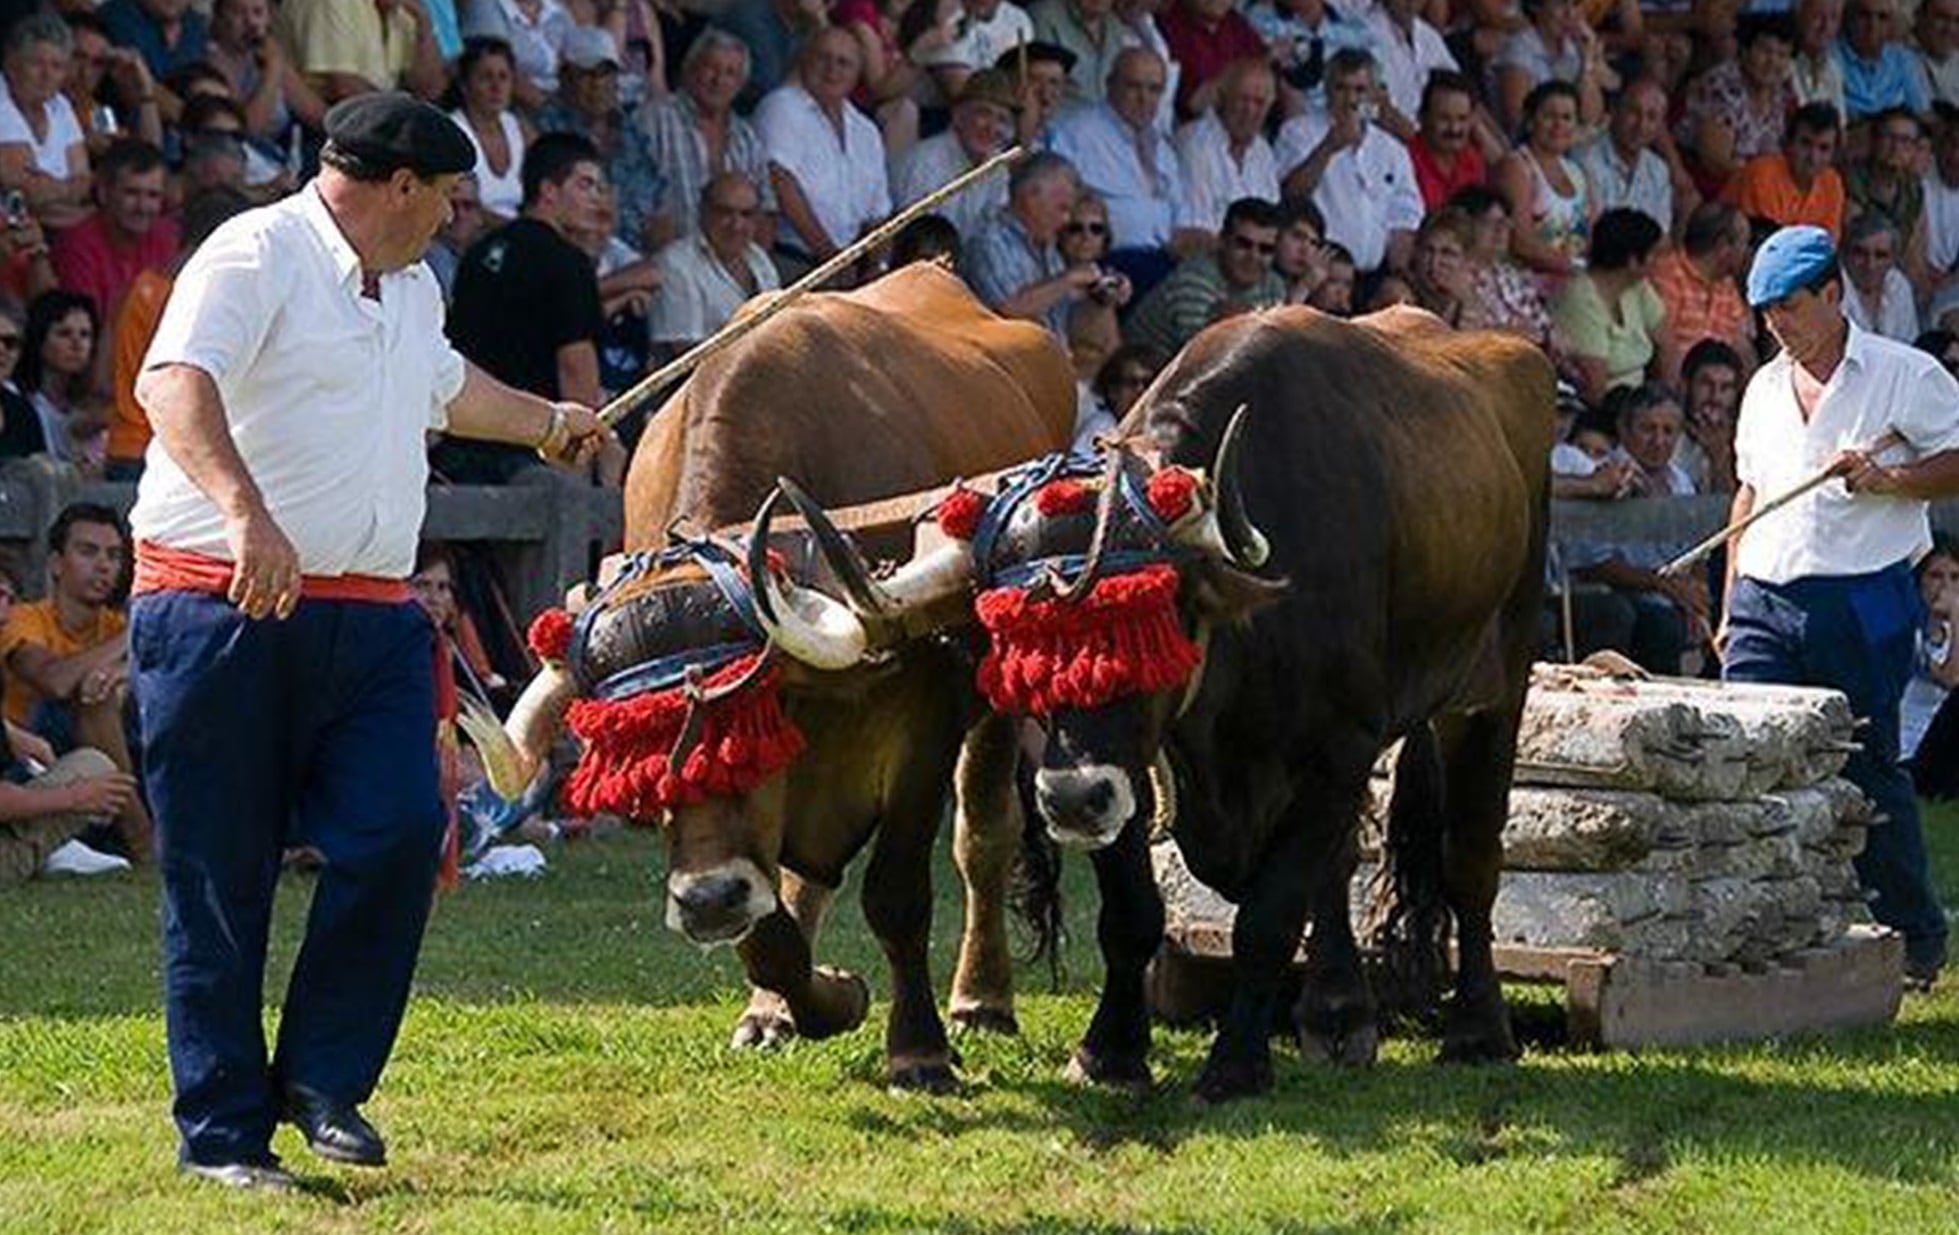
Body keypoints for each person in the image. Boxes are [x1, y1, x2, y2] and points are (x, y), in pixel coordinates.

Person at [128, 92, 611, 1190]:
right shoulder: (254, 252)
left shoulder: (414, 286)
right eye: (442, 195)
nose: (448, 217)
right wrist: (247, 514)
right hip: (222, 603)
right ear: (397, 185)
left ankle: (321, 1075)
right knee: (222, 871)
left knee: (400, 828)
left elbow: (445, 389)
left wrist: (546, 421)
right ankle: (222, 1133)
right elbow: (173, 382)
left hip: (376, 613)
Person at [1722, 224, 1959, 990]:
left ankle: (1915, 937)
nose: (1775, 325)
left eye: (1787, 306)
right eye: (1763, 312)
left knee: (1864, 766)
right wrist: (1730, 597)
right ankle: (1770, 927)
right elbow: (1747, 495)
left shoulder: (1907, 374)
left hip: (1863, 593)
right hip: (1763, 592)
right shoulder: (1761, 387)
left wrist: (1889, 481)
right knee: (1748, 766)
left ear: (1831, 294)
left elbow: (1955, 461)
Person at [442, 131, 607, 484]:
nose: (597, 199)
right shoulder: (568, 263)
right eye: (585, 185)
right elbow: (576, 368)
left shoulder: (478, 252)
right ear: (548, 190)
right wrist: (586, 446)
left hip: (459, 445)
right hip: (535, 451)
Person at [2, 500, 150, 860]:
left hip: (118, 751)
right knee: (92, 693)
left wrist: (124, 670)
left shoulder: (114, 625)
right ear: (55, 563)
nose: (103, 565)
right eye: (88, 551)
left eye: (114, 556)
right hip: (33, 757)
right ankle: (142, 838)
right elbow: (54, 681)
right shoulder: (22, 617)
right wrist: (131, 638)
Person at [108, 186, 251, 480]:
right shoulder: (200, 297)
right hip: (168, 452)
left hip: (125, 444)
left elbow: (101, 377)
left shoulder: (139, 287)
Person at [1049, 48, 1205, 286]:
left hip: (1163, 260)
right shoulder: (1076, 132)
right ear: (1110, 84)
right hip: (1107, 262)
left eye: (1154, 90)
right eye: (1134, 86)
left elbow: (1178, 216)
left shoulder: (1162, 147)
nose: (1144, 98)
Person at [756, 28, 890, 275]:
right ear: (805, 60)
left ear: (857, 74)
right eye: (823, 58)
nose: (832, 70)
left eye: (844, 62)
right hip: (792, 262)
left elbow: (878, 213)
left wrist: (877, 267)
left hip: (848, 268)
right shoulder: (782, 107)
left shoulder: (866, 131)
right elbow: (781, 181)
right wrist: (831, 259)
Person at [1276, 49, 1423, 275]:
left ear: (1374, 94)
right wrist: (1329, 146)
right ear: (1326, 90)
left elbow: (1405, 216)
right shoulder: (1298, 132)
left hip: (1373, 277)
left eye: (1360, 90)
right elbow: (1290, 195)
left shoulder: (1392, 150)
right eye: (1341, 88)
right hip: (1317, 273)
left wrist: (1399, 271)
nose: (1351, 99)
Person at [638, 29, 777, 243]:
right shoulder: (656, 118)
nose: (719, 80)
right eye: (711, 68)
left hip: (730, 265)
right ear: (690, 69)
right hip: (666, 259)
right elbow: (634, 199)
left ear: (741, 84)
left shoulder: (746, 137)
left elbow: (765, 211)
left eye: (730, 73)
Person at [50, 139, 178, 354]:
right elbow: (89, 332)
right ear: (103, 193)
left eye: (152, 195)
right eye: (131, 193)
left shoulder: (167, 236)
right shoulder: (77, 245)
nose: (143, 207)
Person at [961, 150, 1098, 335]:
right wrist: (1067, 279)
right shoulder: (989, 240)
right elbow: (1009, 308)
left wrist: (1099, 292)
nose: (1066, 220)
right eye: (1062, 208)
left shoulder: (1048, 248)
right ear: (1031, 197)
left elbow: (1055, 309)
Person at [1124, 197, 1286, 353]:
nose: (1253, 257)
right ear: (1222, 240)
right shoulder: (1194, 280)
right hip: (1146, 369)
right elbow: (1200, 357)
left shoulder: (1274, 286)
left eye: (1265, 249)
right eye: (1243, 244)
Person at [1551, 207, 1677, 405]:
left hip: (1642, 407)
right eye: (1653, 255)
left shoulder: (1638, 287)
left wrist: (1666, 404)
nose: (1658, 263)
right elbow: (1595, 389)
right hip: (1602, 413)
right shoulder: (1579, 299)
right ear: (1633, 261)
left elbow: (1668, 346)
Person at [649, 171, 780, 355]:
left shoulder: (759, 260)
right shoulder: (676, 263)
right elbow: (684, 355)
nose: (736, 225)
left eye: (746, 214)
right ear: (703, 212)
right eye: (725, 212)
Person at [893, 69, 1017, 243]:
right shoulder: (925, 162)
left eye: (1002, 119)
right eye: (983, 113)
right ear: (958, 115)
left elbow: (993, 236)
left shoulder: (997, 168)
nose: (992, 127)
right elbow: (913, 240)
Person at [1678, 14, 1796, 190]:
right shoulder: (1720, 86)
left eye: (1782, 54)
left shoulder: (1783, 92)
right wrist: (1768, 183)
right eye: (1765, 51)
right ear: (1745, 51)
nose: (1773, 62)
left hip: (1760, 187)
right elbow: (1716, 162)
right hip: (1712, 186)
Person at [1493, 79, 1594, 279]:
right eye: (1549, 116)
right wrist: (1574, 268)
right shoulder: (1517, 166)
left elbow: (1595, 232)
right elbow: (1520, 241)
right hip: (1529, 280)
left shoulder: (1577, 172)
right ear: (1530, 122)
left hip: (1573, 279)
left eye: (1567, 117)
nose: (1559, 125)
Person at [0, 13, 93, 231]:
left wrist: (54, 189)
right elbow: (28, 196)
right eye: (36, 63)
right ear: (11, 64)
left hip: (53, 228)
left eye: (57, 66)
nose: (47, 75)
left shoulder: (59, 105)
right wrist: (73, 197)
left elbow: (85, 181)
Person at [1172, 58, 1281, 235]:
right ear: (1222, 97)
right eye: (1243, 99)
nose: (1250, 110)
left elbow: (1272, 226)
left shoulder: (1264, 152)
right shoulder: (1195, 144)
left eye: (1259, 103)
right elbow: (1197, 229)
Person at [1647, 200, 1757, 364]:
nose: (1748, 252)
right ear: (1723, 246)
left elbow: (1742, 346)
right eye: (1744, 242)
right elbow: (1665, 350)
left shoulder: (1727, 284)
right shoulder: (1667, 275)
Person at [276, 0, 447, 104]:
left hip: (376, 116)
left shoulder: (403, 8)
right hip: (317, 126)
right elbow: (345, 88)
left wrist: (424, 25)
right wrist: (403, 115)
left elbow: (430, 89)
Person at [1577, 76, 1682, 237]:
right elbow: (1595, 233)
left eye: (1652, 117)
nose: (1641, 125)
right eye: (1634, 112)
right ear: (1614, 110)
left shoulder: (1658, 169)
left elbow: (1661, 235)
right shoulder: (1587, 160)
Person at [1725, 101, 1847, 237]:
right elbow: (1769, 243)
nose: (1813, 157)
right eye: (1805, 144)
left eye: (1824, 148)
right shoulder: (1763, 174)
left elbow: (1827, 244)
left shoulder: (1832, 183)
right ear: (1788, 144)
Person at [447, 38, 529, 220]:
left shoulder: (518, 127)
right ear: (465, 86)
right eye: (485, 78)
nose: (496, 87)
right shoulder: (451, 131)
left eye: (503, 77)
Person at [19, 290, 101, 470]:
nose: (77, 344)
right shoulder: (19, 402)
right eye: (64, 333)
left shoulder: (93, 410)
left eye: (85, 334)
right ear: (38, 338)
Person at [1675, 337, 1745, 493]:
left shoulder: (1746, 440)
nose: (1715, 397)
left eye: (1725, 388)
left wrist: (1718, 456)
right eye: (1706, 384)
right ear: (1686, 385)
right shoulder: (1663, 434)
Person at [1838, 0, 1929, 120]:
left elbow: (1922, 114)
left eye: (1882, 17)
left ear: (1892, 24)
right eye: (1864, 15)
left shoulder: (1903, 59)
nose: (1873, 26)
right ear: (1849, 18)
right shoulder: (1830, 56)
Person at [1840, 210, 1921, 340]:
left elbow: (1910, 343)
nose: (1870, 265)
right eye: (1860, 253)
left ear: (1893, 259)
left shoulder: (1899, 285)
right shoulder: (1834, 288)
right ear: (1845, 253)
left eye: (1881, 255)